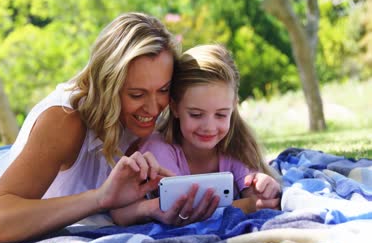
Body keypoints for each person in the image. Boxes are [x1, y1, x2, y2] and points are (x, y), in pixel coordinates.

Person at [0, 12, 188, 243]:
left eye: (162, 90)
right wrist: (100, 198)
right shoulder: (64, 120)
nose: (153, 108)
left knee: (9, 157)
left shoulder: (158, 114)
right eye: (137, 95)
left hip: (31, 162)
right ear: (107, 86)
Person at [110, 44, 281, 226]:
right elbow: (185, 210)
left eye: (221, 114)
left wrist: (264, 188)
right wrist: (248, 205)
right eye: (196, 114)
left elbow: (254, 194)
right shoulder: (158, 150)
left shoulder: (234, 146)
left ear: (233, 107)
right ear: (175, 107)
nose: (209, 127)